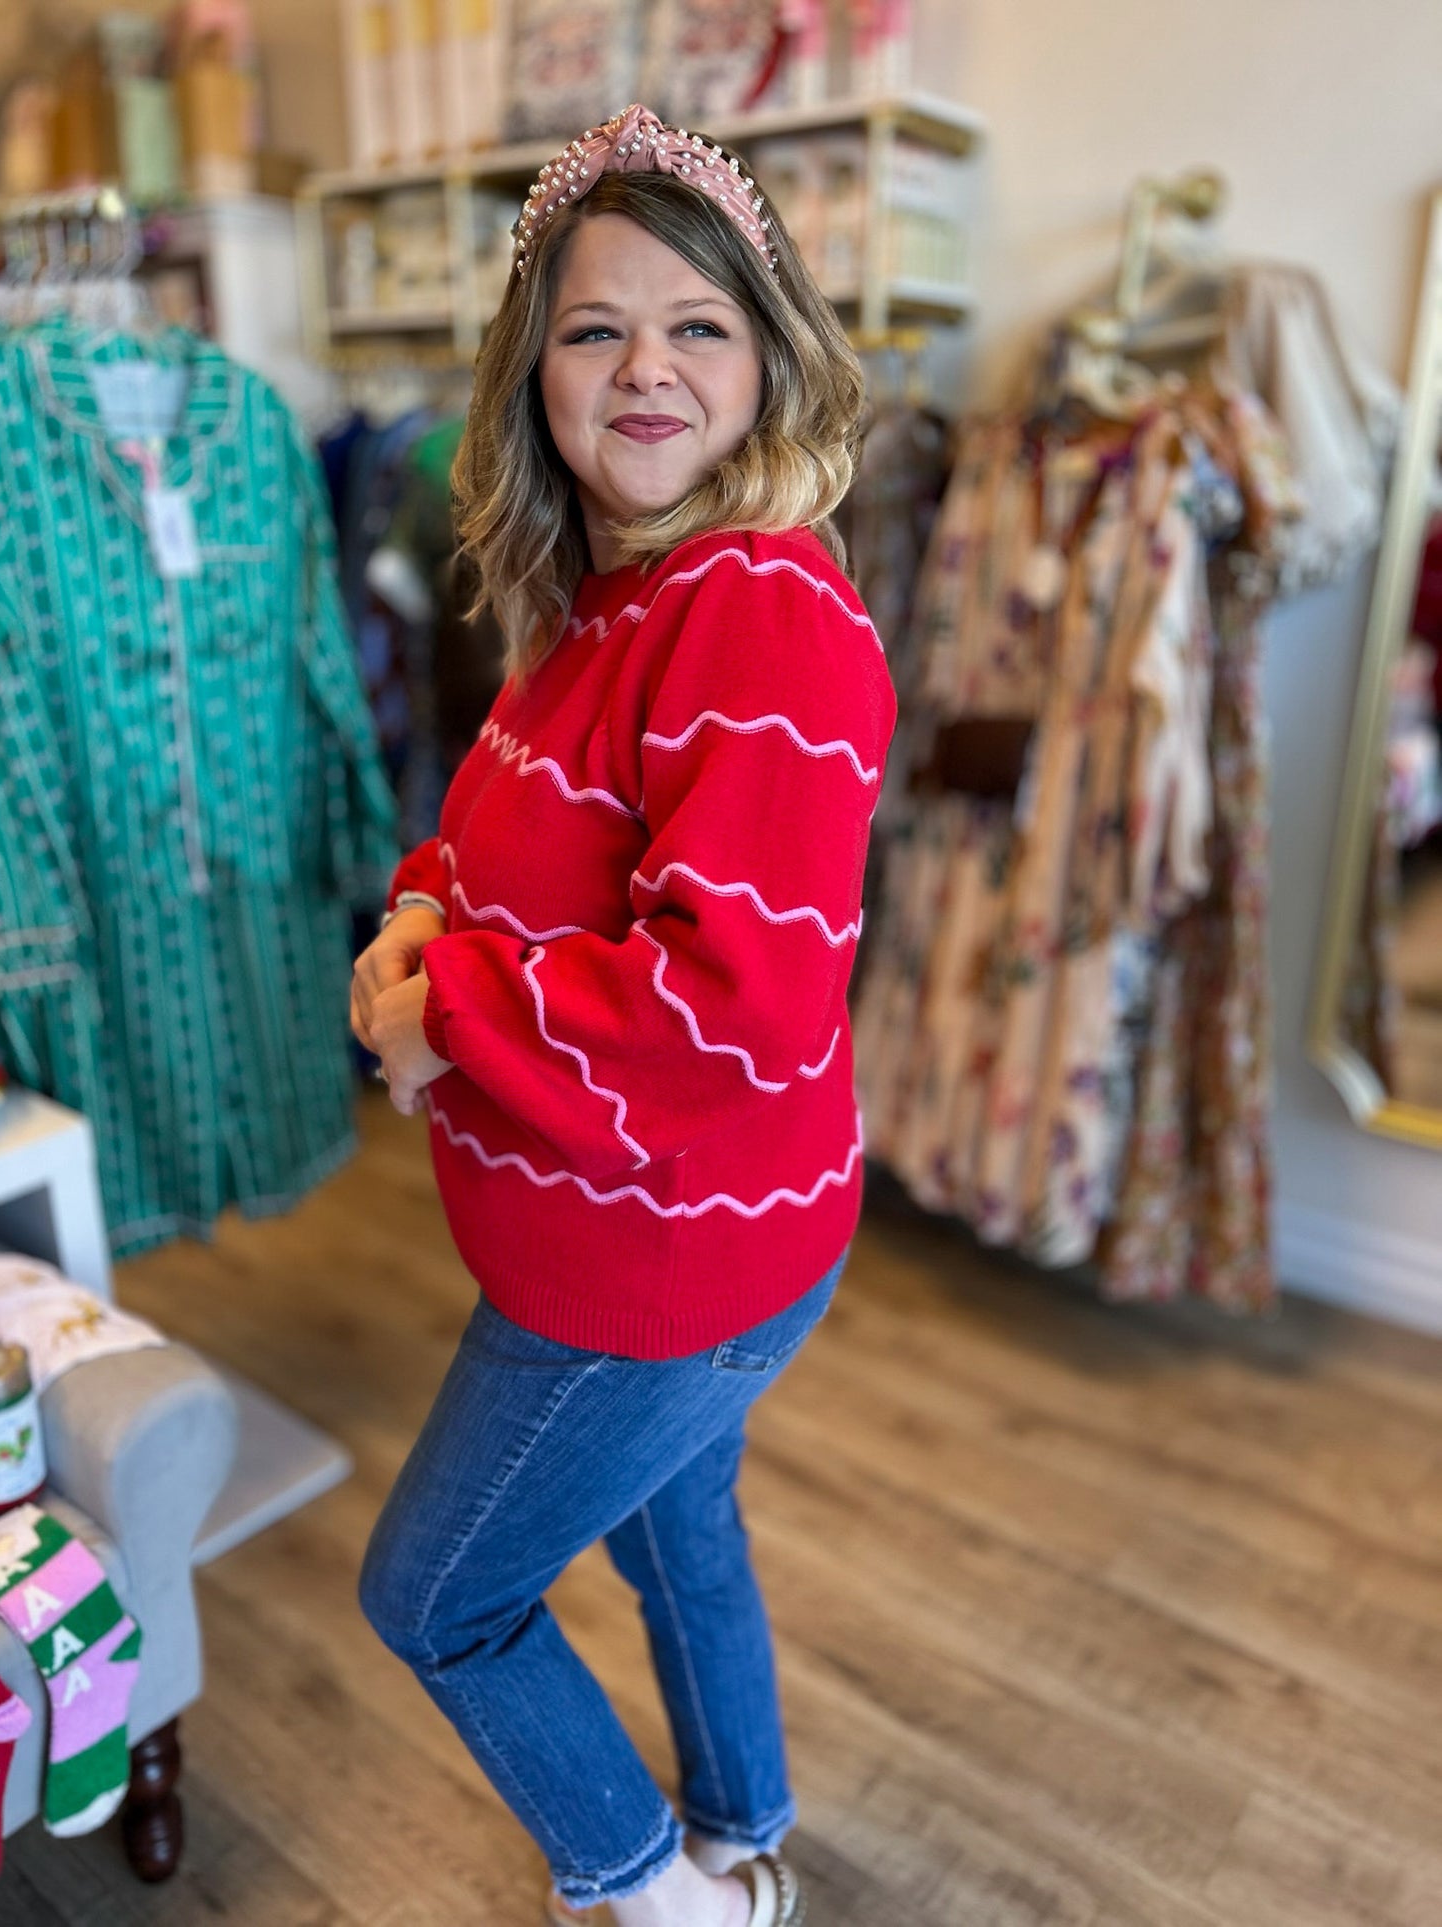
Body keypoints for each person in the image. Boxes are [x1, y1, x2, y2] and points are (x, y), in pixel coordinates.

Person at [351, 102, 896, 1927]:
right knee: (681, 1535)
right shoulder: (606, 600)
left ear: (768, 360)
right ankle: (745, 1826)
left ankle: (667, 1899)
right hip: (674, 1239)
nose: (644, 368)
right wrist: (428, 901)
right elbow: (513, 817)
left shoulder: (753, 609)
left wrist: (446, 1011)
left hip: (655, 1267)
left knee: (434, 1599)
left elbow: (720, 1003)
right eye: (594, 328)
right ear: (534, 374)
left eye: (697, 325)